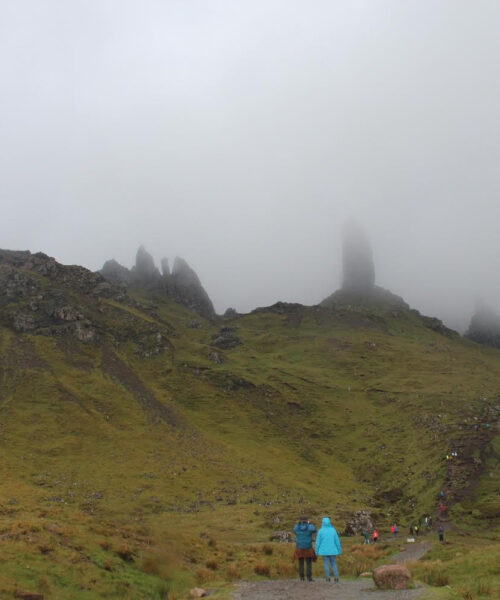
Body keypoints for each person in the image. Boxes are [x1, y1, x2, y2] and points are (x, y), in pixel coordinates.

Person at [315, 517, 342, 583]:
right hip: (333, 551)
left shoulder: (320, 531)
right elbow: (337, 541)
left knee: (326, 564)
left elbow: (317, 542)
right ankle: (336, 578)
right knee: (334, 564)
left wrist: (316, 551)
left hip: (324, 551)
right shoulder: (333, 530)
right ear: (329, 522)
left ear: (322, 523)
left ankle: (327, 578)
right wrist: (339, 550)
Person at [293, 516, 316, 581]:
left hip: (299, 547)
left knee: (301, 562)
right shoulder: (309, 527)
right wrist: (309, 523)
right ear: (307, 520)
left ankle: (302, 577)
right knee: (309, 563)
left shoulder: (297, 527)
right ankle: (309, 577)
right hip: (308, 547)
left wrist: (298, 524)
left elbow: (294, 529)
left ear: (300, 520)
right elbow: (314, 529)